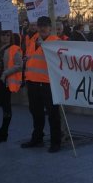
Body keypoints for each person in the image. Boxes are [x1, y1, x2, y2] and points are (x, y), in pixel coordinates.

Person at [22, 16, 62, 153]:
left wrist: (43, 47)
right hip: (33, 81)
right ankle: (37, 137)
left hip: (48, 83)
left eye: (45, 26)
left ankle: (56, 141)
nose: (42, 28)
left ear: (50, 28)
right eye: (40, 26)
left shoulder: (55, 41)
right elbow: (30, 57)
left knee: (52, 113)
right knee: (35, 112)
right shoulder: (33, 40)